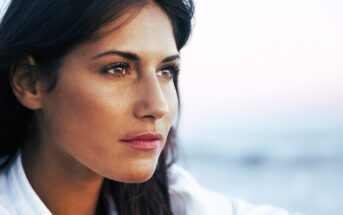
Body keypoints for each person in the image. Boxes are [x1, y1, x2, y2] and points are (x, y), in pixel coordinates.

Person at [0, 0, 299, 214]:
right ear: (30, 82)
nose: (157, 106)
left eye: (166, 71)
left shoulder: (174, 200)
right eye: (118, 68)